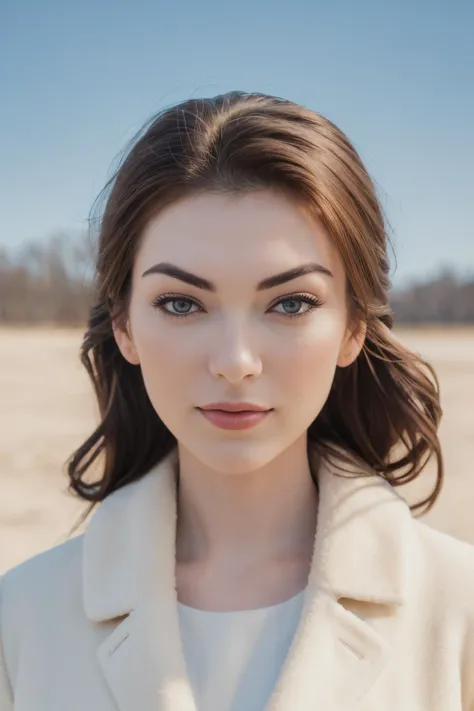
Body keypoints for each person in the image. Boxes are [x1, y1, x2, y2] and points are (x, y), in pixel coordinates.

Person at [0, 91, 473, 711]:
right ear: (123, 326)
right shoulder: (22, 620)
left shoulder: (459, 608)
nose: (235, 362)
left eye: (291, 303)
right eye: (181, 303)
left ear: (354, 327)